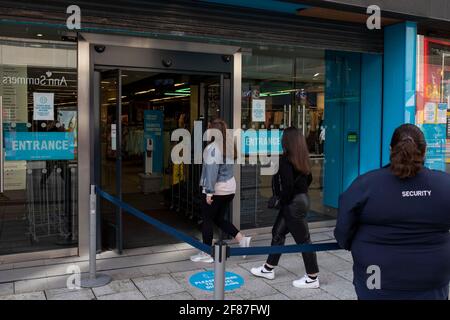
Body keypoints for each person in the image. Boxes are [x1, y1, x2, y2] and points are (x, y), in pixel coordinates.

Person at [335, 124, 450, 300]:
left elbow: (343, 229)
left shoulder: (366, 185)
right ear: (425, 151)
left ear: (391, 149)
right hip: (431, 278)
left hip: (376, 276)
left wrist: (352, 244)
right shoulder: (444, 185)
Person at [251, 127, 320, 289]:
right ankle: (268, 268)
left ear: (287, 141)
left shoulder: (286, 160)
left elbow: (288, 186)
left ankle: (312, 277)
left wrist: (281, 200)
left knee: (304, 240)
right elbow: (308, 179)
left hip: (292, 204)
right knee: (278, 232)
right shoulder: (302, 158)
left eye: (283, 137)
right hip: (301, 200)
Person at [190, 118, 251, 263]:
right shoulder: (228, 145)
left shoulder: (212, 149)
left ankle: (206, 252)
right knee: (218, 219)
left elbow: (212, 171)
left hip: (217, 190)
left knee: (207, 220)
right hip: (229, 189)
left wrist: (209, 192)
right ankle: (241, 239)